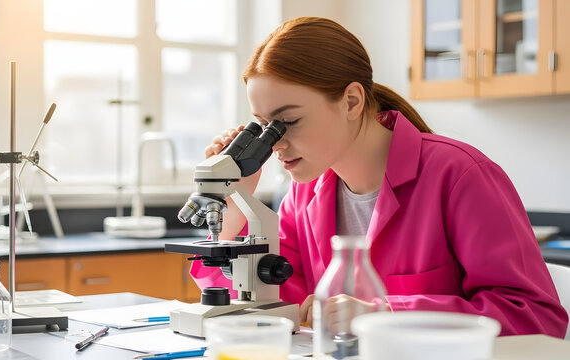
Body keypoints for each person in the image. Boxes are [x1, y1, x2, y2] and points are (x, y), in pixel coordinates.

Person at [189, 16, 568, 338]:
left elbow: (535, 317)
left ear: (351, 101)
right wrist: (236, 207)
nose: (275, 143)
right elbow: (269, 305)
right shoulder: (303, 196)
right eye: (264, 126)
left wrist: (388, 314)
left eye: (287, 122)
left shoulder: (460, 176)